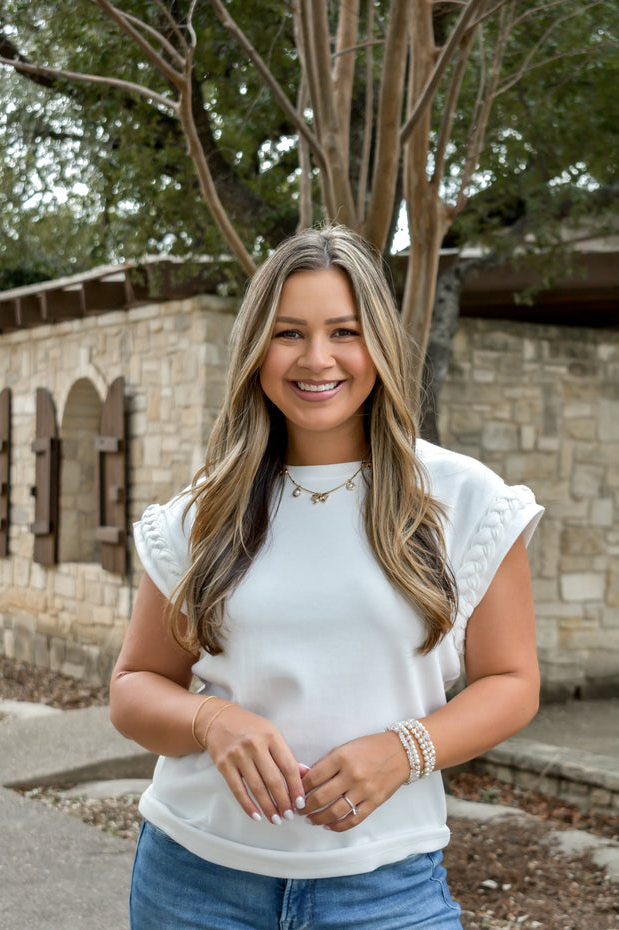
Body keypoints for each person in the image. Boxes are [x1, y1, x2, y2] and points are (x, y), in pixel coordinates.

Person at [110, 224, 543, 930]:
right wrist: (211, 719)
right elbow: (133, 689)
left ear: (379, 344)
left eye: (344, 331)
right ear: (256, 350)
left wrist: (407, 750)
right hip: (194, 884)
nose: (317, 359)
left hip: (386, 891)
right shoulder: (202, 511)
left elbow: (512, 681)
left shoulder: (465, 500)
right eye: (288, 334)